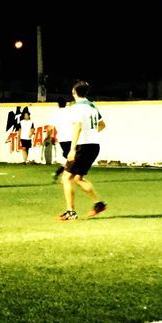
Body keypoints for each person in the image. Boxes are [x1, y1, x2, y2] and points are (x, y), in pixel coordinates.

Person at [57, 81, 107, 221]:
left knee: (66, 178)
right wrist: (91, 133)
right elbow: (102, 125)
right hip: (94, 146)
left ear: (74, 92)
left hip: (83, 146)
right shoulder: (92, 106)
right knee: (77, 178)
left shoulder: (76, 108)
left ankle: (70, 212)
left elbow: (78, 126)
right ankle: (99, 204)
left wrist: (72, 149)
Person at [49, 97, 73, 180]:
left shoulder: (55, 114)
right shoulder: (70, 111)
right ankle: (60, 173)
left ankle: (59, 172)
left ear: (58, 104)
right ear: (66, 103)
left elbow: (50, 127)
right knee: (73, 157)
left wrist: (51, 137)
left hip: (62, 138)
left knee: (70, 157)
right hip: (71, 137)